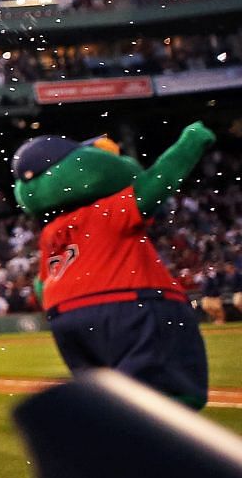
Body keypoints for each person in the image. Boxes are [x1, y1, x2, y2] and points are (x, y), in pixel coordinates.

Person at [15, 123, 218, 408]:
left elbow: (41, 285)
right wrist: (191, 142)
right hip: (126, 304)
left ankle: (107, 443)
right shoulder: (105, 211)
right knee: (162, 401)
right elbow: (158, 183)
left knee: (108, 400)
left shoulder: (51, 232)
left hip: (66, 318)